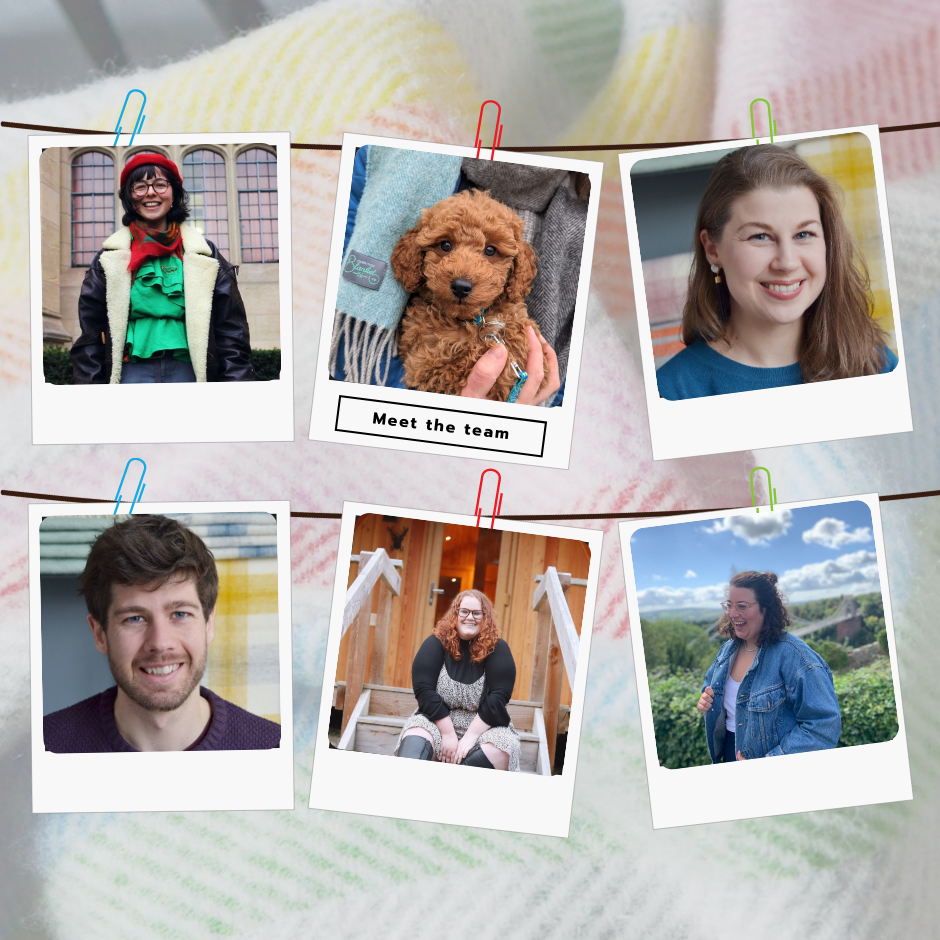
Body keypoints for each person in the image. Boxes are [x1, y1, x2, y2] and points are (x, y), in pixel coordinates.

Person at [656, 144, 898, 400]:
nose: (787, 262)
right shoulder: (670, 392)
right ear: (713, 249)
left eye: (804, 234)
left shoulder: (876, 366)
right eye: (760, 236)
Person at [43, 515, 280, 753]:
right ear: (99, 634)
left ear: (209, 624)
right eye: (134, 618)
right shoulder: (45, 747)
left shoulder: (272, 749)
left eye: (180, 614)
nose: (160, 643)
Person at [70, 152, 256, 384]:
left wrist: (237, 386)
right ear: (129, 196)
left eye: (160, 184)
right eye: (140, 186)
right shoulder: (108, 258)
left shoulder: (206, 253)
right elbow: (90, 334)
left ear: (174, 193)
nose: (150, 192)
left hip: (190, 373)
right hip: (130, 374)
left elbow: (231, 332)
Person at [696, 570, 841, 762]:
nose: (732, 613)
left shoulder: (795, 656)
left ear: (765, 608)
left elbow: (824, 725)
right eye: (729, 605)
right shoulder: (726, 652)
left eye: (742, 606)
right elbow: (710, 691)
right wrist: (706, 702)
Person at [396, 589, 520, 770]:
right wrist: (447, 733)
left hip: (484, 726)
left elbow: (498, 698)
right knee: (416, 734)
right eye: (464, 611)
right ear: (456, 613)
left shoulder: (498, 649)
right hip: (437, 721)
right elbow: (424, 691)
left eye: (477, 613)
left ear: (485, 617)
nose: (470, 617)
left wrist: (470, 737)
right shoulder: (435, 644)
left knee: (502, 747)